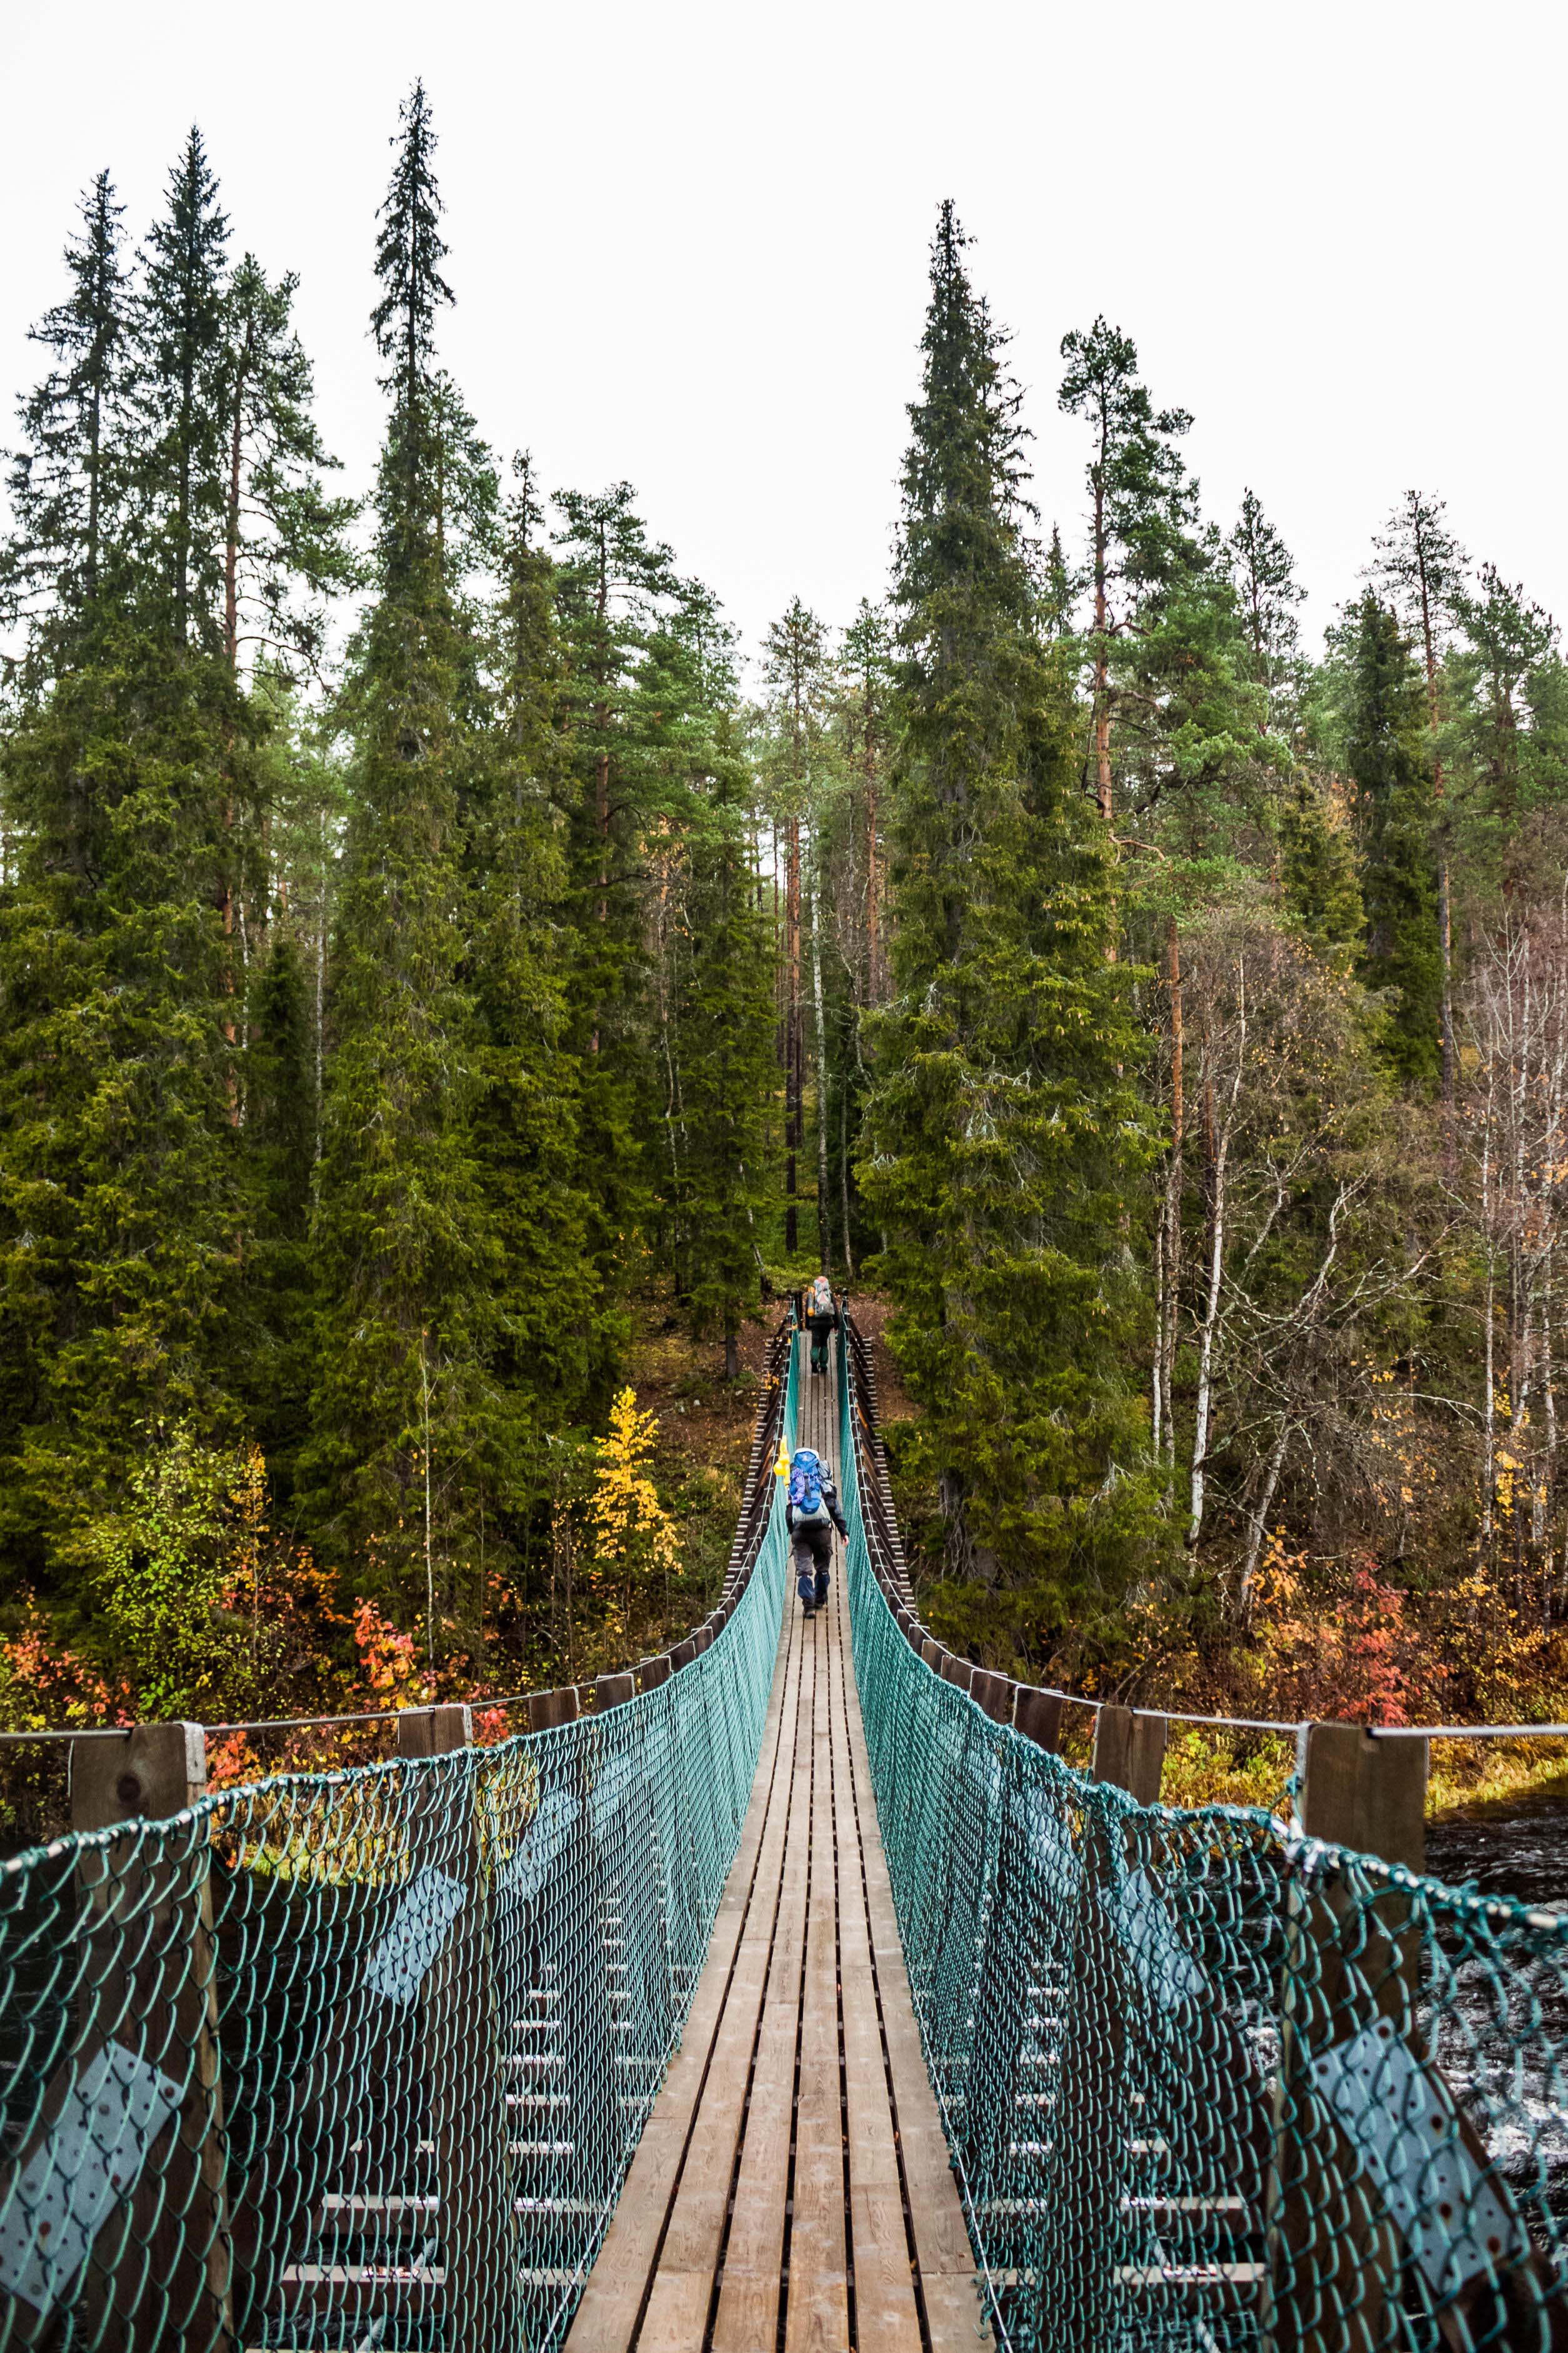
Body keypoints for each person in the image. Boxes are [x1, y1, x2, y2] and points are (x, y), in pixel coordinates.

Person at [786, 1446, 847, 1617]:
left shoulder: (794, 1478)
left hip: (801, 1532)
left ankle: (809, 1607)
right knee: (822, 1568)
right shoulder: (821, 1478)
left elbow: (789, 1512)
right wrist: (843, 1531)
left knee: (804, 1571)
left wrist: (793, 1531)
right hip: (822, 1531)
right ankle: (820, 1600)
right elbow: (833, 1505)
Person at [804, 1273, 838, 1375]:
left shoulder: (813, 1293)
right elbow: (835, 1310)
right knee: (824, 1343)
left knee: (815, 1344)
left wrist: (808, 1325)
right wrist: (837, 1324)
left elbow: (808, 1310)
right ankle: (823, 1366)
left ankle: (814, 1363)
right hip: (827, 1323)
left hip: (815, 1324)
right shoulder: (829, 1293)